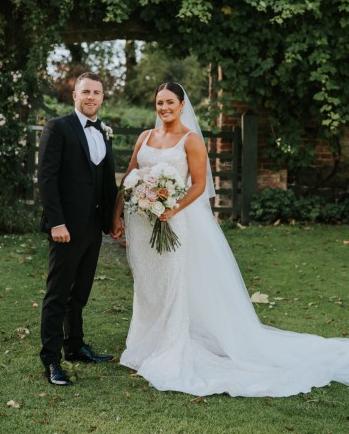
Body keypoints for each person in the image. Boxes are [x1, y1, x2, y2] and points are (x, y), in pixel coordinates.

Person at [112, 82, 349, 397]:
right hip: (142, 224)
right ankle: (146, 340)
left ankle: (170, 344)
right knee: (147, 283)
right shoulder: (145, 138)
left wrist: (172, 207)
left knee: (171, 282)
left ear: (182, 105)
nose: (164, 108)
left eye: (170, 102)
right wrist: (118, 216)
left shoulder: (191, 140)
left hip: (172, 220)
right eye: (159, 102)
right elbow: (129, 176)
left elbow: (197, 185)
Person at [38, 72, 121, 386]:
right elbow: (46, 178)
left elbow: (106, 180)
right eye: (85, 92)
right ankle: (51, 360)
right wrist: (56, 222)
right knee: (58, 294)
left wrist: (114, 219)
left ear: (102, 97)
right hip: (66, 227)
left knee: (80, 292)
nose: (91, 97)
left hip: (93, 227)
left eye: (97, 93)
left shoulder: (104, 131)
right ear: (74, 95)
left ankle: (74, 346)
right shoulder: (58, 127)